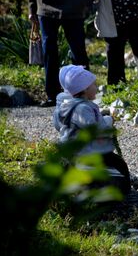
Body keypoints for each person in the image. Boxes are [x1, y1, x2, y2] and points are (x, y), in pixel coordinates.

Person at [53, 64, 130, 194]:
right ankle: (122, 192)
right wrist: (108, 120)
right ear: (84, 89)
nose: (97, 88)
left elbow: (57, 125)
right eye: (94, 85)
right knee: (119, 165)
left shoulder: (64, 106)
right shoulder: (83, 108)